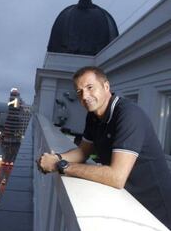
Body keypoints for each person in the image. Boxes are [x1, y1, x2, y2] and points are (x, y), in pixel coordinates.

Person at [37, 66, 171, 228]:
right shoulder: (93, 116)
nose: (85, 96)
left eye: (90, 87)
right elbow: (82, 151)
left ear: (106, 86)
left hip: (157, 211)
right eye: (79, 92)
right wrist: (56, 158)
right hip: (127, 200)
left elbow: (116, 177)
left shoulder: (129, 115)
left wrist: (61, 166)